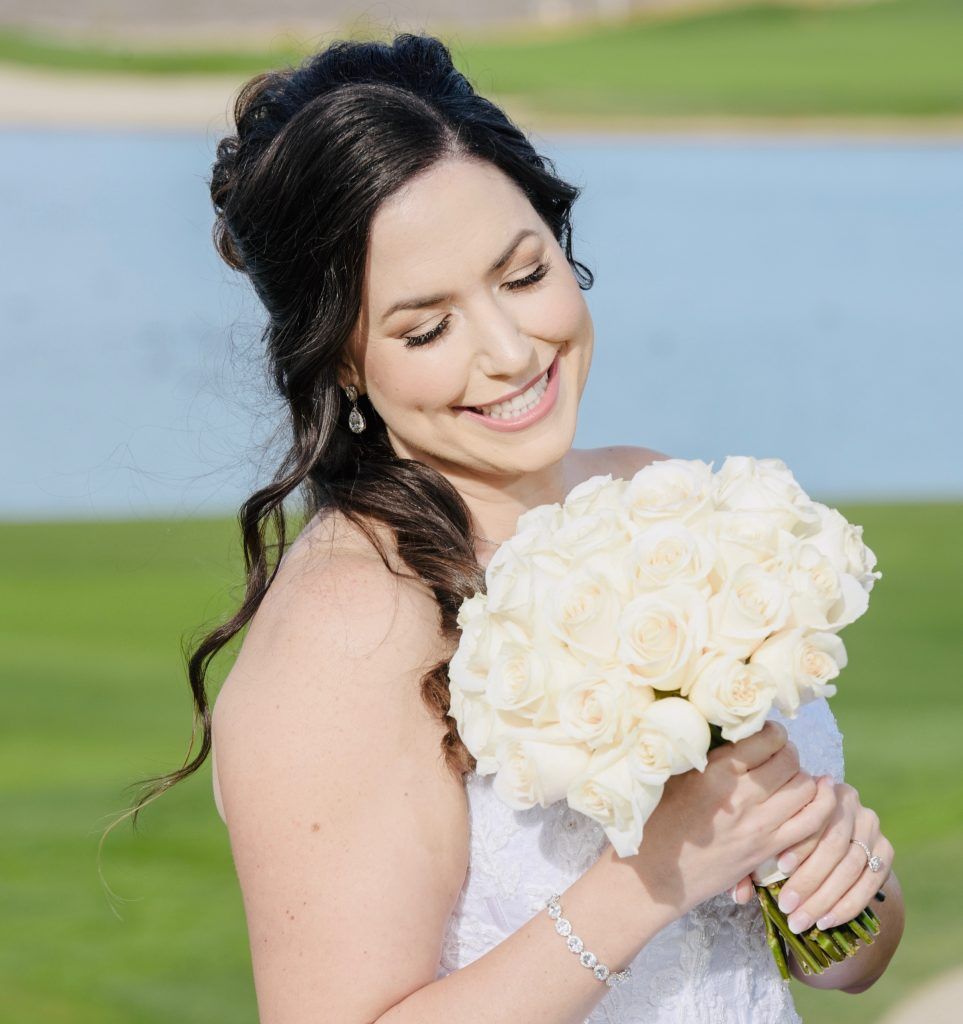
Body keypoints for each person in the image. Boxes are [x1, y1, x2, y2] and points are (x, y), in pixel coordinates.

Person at [142, 32, 905, 1023]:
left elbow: (846, 960)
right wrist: (648, 878)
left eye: (521, 274)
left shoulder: (664, 503)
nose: (507, 351)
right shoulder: (347, 630)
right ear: (338, 361)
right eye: (427, 328)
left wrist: (832, 868)